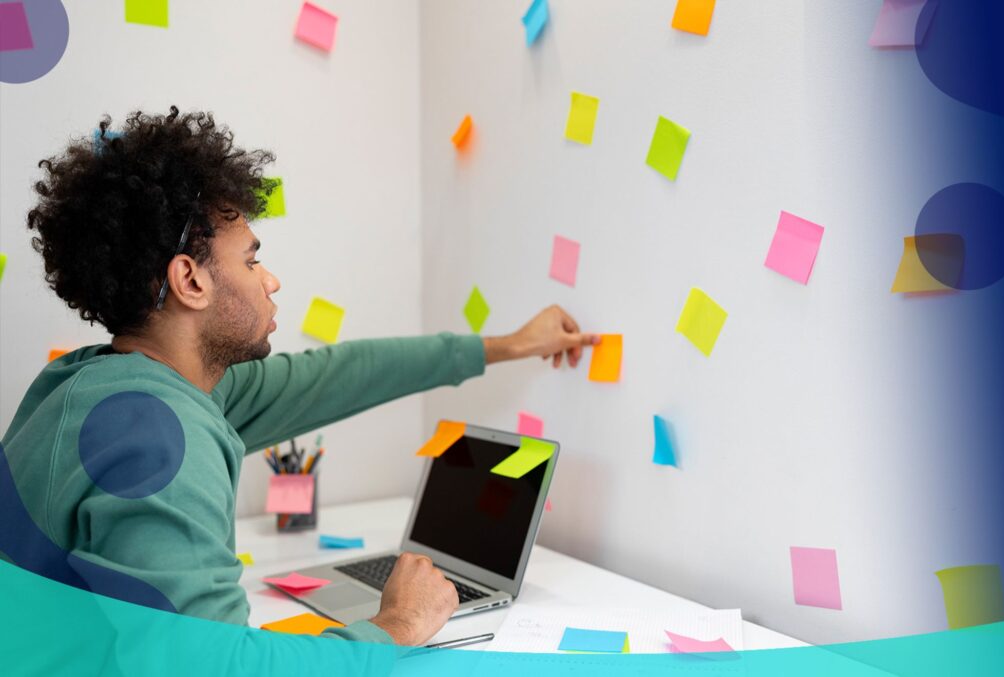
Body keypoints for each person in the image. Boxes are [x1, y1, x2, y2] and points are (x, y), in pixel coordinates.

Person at [0, 107, 598, 649]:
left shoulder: (99, 385)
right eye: (252, 260)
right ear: (191, 280)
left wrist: (512, 345)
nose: (271, 280)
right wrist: (397, 626)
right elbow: (218, 671)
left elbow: (341, 376)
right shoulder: (158, 438)